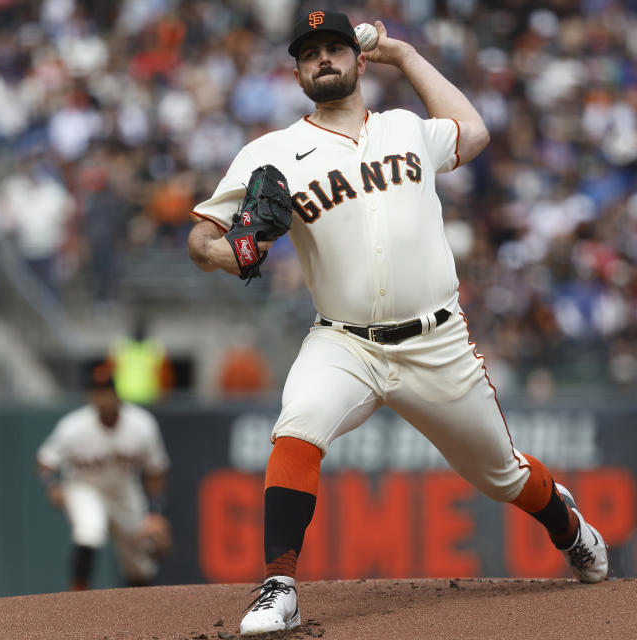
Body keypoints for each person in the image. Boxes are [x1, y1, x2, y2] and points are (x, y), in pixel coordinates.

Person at [187, 12, 611, 636]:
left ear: (359, 61)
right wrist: (234, 253)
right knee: (297, 428)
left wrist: (406, 56)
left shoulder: (404, 129)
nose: (324, 59)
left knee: (503, 475)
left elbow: (475, 131)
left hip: (436, 341)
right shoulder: (269, 153)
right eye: (311, 53)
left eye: (335, 47)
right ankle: (279, 586)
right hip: (343, 341)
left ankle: (569, 528)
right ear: (298, 71)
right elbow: (202, 239)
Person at [36, 360, 172, 590]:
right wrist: (52, 485)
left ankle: (138, 612)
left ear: (118, 395)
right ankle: (77, 598)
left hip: (123, 488)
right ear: (90, 397)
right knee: (89, 530)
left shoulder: (141, 424)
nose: (103, 399)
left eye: (107, 392)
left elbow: (155, 469)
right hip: (83, 486)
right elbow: (45, 461)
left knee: (141, 561)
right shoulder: (73, 427)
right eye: (97, 393)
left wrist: (155, 512)